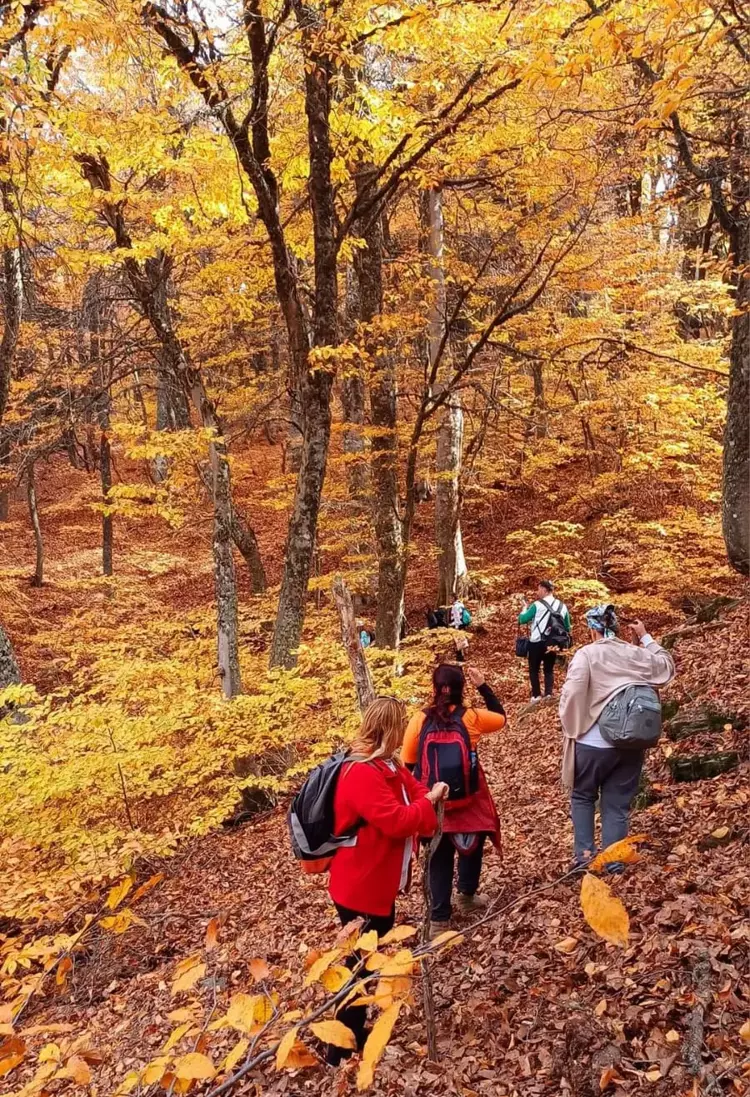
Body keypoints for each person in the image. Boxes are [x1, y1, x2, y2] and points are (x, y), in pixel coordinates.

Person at [328, 697, 448, 1061]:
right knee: (358, 968)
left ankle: (354, 1034)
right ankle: (339, 1048)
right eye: (400, 728)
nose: (403, 736)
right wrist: (429, 802)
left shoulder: (387, 764)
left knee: (367, 961)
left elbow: (412, 791)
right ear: (390, 729)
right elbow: (396, 821)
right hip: (359, 888)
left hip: (377, 885)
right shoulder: (360, 771)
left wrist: (427, 796)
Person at [558, 604, 675, 871]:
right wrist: (645, 637)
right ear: (616, 627)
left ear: (592, 629)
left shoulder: (587, 654)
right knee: (617, 804)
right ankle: (614, 864)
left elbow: (574, 691)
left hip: (592, 743)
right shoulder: (636, 653)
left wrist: (573, 725)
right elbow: (667, 668)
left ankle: (585, 860)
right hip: (631, 743)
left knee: (583, 796)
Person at [402, 664, 506, 936]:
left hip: (434, 800)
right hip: (468, 796)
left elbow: (409, 761)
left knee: (438, 854)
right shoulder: (471, 717)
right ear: (461, 688)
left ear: (434, 688)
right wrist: (483, 685)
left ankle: (439, 920)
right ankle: (467, 896)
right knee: (475, 838)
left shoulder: (419, 719)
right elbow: (501, 717)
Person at [518, 579, 571, 701]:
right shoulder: (562, 606)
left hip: (536, 642)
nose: (537, 592)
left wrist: (524, 608)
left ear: (544, 589)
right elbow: (567, 627)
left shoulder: (537, 605)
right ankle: (548, 694)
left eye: (538, 589)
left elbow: (522, 619)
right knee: (548, 669)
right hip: (553, 642)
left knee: (534, 669)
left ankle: (536, 695)